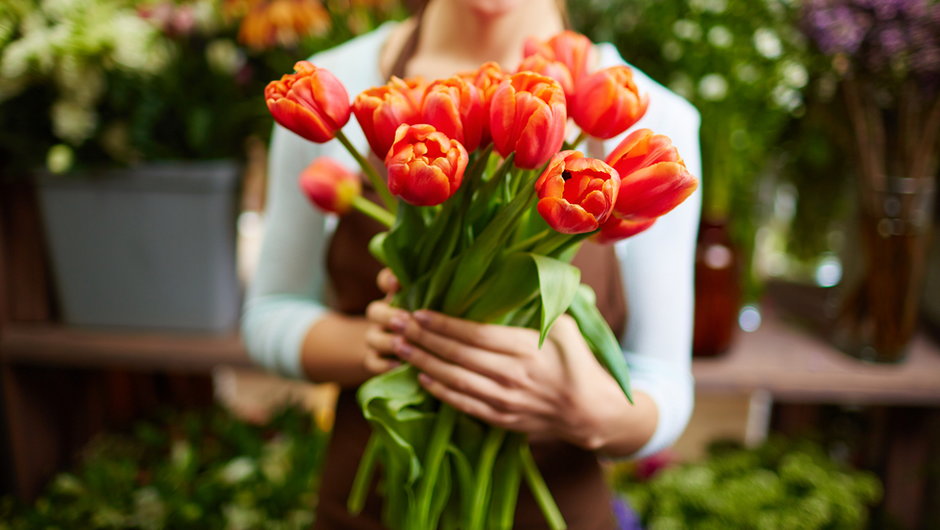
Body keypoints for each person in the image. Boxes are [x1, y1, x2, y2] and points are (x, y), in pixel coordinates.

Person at [242, 0, 702, 528]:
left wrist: (592, 409)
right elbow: (270, 312)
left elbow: (662, 384)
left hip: (556, 506)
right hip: (373, 505)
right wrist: (389, 341)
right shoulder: (338, 86)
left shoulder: (652, 116)